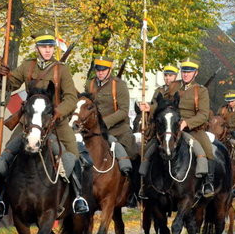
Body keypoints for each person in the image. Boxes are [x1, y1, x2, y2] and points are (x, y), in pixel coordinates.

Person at [0, 28, 88, 216]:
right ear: (37, 48)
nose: (47, 50)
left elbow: (71, 98)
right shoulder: (28, 66)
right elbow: (11, 85)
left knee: (74, 156)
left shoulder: (62, 70)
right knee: (8, 154)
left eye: (50, 47)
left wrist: (58, 113)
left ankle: (78, 198)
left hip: (56, 123)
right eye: (43, 47)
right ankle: (1, 199)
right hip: (30, 122)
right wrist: (4, 75)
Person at [137, 60, 215, 199]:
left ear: (195, 73)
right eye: (184, 72)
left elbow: (203, 114)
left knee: (206, 150)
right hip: (170, 126)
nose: (185, 75)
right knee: (149, 149)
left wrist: (187, 122)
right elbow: (162, 104)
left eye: (189, 72)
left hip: (192, 128)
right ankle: (145, 184)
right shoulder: (173, 86)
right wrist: (150, 108)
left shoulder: (201, 90)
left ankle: (208, 183)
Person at [86, 56, 137, 159]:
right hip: (93, 129)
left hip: (117, 130)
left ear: (110, 70)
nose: (100, 73)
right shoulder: (90, 84)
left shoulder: (119, 85)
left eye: (103, 70)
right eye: (98, 69)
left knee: (129, 155)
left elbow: (123, 111)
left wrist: (104, 122)